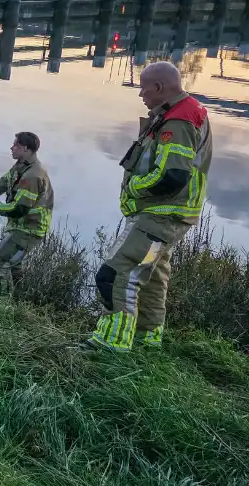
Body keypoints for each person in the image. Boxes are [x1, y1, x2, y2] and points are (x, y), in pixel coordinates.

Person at [87, 61, 212, 352]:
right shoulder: (179, 112)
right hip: (170, 215)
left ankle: (111, 343)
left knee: (116, 274)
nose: (140, 94)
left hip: (161, 215)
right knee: (152, 278)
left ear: (159, 87)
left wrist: (134, 188)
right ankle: (147, 342)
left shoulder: (179, 120)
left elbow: (172, 176)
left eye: (143, 88)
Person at [0, 132, 54, 296]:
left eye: (16, 145)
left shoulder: (32, 176)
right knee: (14, 266)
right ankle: (19, 302)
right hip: (22, 228)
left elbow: (19, 209)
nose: (11, 148)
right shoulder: (20, 167)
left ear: (26, 149)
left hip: (30, 230)